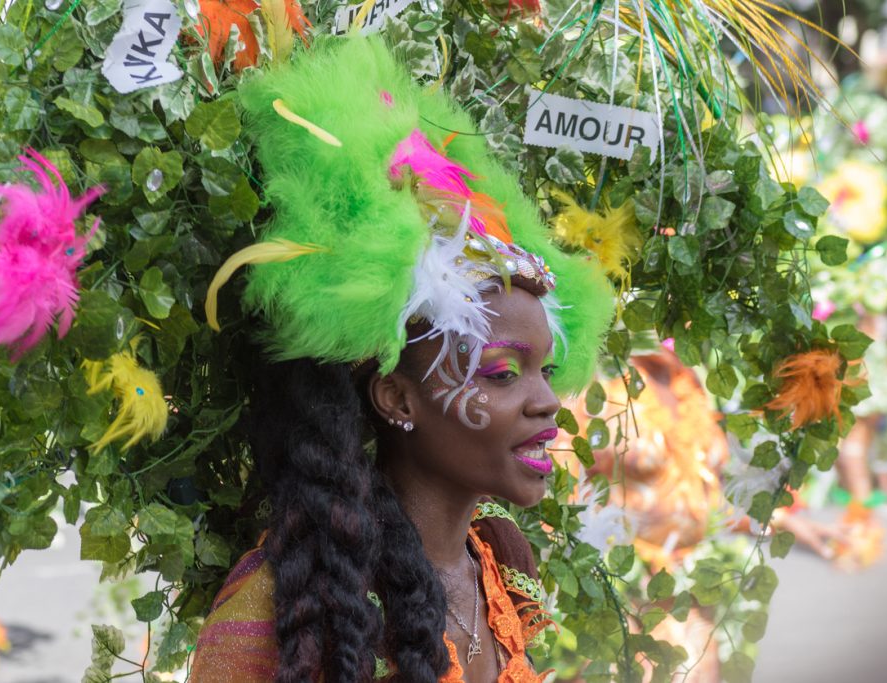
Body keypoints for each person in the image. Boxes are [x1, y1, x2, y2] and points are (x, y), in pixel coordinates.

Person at [190, 37, 613, 682]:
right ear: (396, 397)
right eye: (502, 373)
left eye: (546, 372)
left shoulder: (503, 561)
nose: (549, 402)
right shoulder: (287, 609)